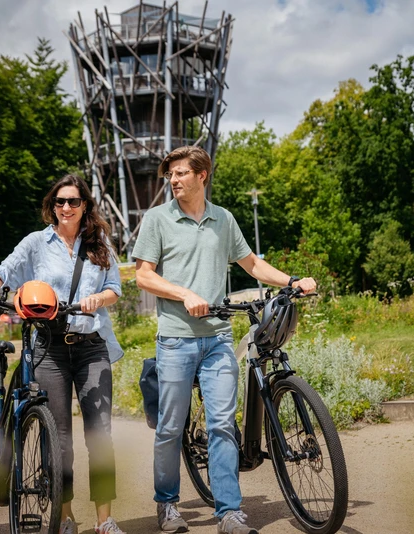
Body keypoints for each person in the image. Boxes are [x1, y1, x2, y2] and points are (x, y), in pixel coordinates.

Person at [132, 146, 316, 534]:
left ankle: (229, 512)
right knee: (170, 426)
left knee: (220, 424)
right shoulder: (157, 219)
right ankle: (167, 505)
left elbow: (251, 264)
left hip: (216, 338)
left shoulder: (224, 219)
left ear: (202, 176)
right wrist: (184, 294)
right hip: (176, 339)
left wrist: (292, 281)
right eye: (170, 175)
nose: (173, 180)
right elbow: (143, 276)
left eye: (181, 173)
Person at [0, 174, 126, 534]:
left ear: (85, 207)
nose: (66, 207)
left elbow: (114, 288)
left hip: (91, 347)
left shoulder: (99, 243)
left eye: (74, 202)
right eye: (60, 201)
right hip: (48, 348)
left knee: (101, 435)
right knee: (58, 438)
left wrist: (99, 299)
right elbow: (2, 273)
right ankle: (64, 517)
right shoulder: (37, 243)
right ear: (52, 206)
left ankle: (104, 520)